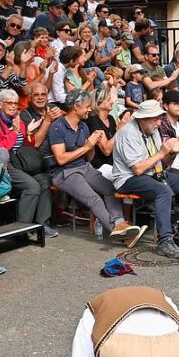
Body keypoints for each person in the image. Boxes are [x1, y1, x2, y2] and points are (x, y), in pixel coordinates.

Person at [111, 100, 179, 259]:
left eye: (160, 118)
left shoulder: (152, 130)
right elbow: (138, 169)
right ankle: (164, 241)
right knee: (163, 191)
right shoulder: (128, 133)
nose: (159, 123)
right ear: (143, 118)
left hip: (151, 173)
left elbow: (161, 163)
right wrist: (162, 152)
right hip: (128, 179)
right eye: (155, 119)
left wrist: (172, 152)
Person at [49, 89, 145, 244]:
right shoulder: (57, 127)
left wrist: (92, 145)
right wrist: (87, 146)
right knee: (93, 198)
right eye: (86, 106)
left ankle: (120, 223)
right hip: (64, 172)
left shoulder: (83, 126)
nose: (89, 109)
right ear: (76, 106)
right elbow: (60, 159)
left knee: (109, 188)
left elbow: (89, 157)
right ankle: (119, 232)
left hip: (84, 166)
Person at [0, 90, 56, 233]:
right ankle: (22, 228)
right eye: (9, 103)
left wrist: (29, 133)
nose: (13, 106)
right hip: (5, 164)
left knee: (44, 180)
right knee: (32, 186)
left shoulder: (18, 120)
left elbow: (27, 146)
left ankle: (42, 223)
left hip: (21, 161)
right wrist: (15, 132)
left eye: (16, 103)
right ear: (0, 104)